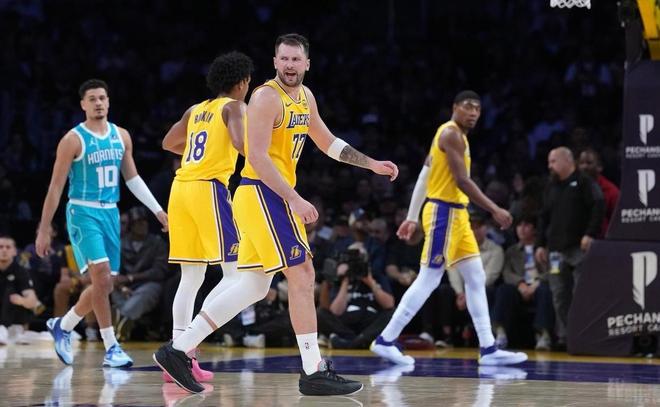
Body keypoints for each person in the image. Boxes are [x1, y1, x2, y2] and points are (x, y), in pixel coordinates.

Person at [154, 33, 398, 395]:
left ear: (307, 64)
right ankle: (313, 369)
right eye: (283, 59)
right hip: (263, 193)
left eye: (295, 59)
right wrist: (294, 198)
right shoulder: (265, 97)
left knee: (254, 285)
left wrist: (370, 163)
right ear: (274, 62)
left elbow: (328, 142)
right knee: (303, 273)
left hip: (265, 196)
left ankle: (178, 349)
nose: (289, 65)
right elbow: (255, 156)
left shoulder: (305, 97)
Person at [371, 90, 527, 366]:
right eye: (468, 106)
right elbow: (462, 181)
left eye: (478, 108)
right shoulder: (450, 134)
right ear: (454, 107)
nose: (473, 112)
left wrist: (412, 216)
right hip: (443, 213)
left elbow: (425, 175)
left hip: (458, 215)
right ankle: (385, 339)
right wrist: (494, 209)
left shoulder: (449, 136)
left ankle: (488, 348)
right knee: (430, 278)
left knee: (476, 277)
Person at [35, 79, 168, 368]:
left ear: (108, 101)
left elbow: (133, 179)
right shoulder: (73, 139)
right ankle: (111, 346)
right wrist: (44, 228)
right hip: (83, 212)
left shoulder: (122, 136)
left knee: (104, 285)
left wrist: (158, 211)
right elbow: (55, 187)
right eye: (92, 99)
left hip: (110, 213)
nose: (98, 103)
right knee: (102, 276)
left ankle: (63, 325)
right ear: (83, 104)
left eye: (102, 98)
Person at [156, 51, 253, 383]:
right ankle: (186, 345)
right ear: (242, 82)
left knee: (191, 277)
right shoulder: (235, 107)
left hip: (180, 189)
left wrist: (204, 150)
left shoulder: (195, 109)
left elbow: (169, 143)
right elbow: (241, 143)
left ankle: (178, 356)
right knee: (236, 274)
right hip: (208, 189)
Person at [535, 147, 604, 350]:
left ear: (567, 161)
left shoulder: (583, 182)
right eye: (549, 162)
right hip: (556, 250)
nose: (550, 166)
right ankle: (566, 337)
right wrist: (540, 244)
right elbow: (543, 217)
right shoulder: (551, 186)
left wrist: (590, 233)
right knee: (559, 294)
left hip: (578, 248)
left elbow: (598, 205)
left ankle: (584, 336)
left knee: (580, 292)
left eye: (553, 161)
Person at [492, 216, 554, 350]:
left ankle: (543, 335)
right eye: (519, 226)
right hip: (519, 287)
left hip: (538, 285)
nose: (522, 229)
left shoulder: (544, 249)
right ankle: (501, 332)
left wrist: (538, 282)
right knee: (504, 289)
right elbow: (507, 272)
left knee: (545, 290)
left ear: (535, 229)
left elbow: (552, 270)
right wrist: (520, 283)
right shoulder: (511, 251)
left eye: (526, 225)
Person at [112, 206, 168, 341]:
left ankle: (122, 318)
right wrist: (122, 286)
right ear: (131, 225)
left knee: (147, 293)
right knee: (111, 288)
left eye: (144, 221)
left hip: (147, 284)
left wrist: (131, 278)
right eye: (138, 222)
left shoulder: (157, 243)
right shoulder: (121, 244)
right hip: (124, 286)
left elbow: (159, 272)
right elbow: (114, 273)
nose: (143, 225)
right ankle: (123, 323)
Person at [0, 235, 40, 344]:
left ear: (14, 251)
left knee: (10, 290)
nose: (4, 250)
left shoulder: (21, 272)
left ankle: (4, 330)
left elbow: (33, 302)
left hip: (14, 321)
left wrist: (21, 300)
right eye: (1, 247)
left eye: (8, 247)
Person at [577, 148, 619, 237]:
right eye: (581, 163)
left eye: (589, 163)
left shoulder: (611, 191)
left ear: (599, 167)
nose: (584, 167)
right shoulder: (572, 187)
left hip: (600, 240)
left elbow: (616, 222)